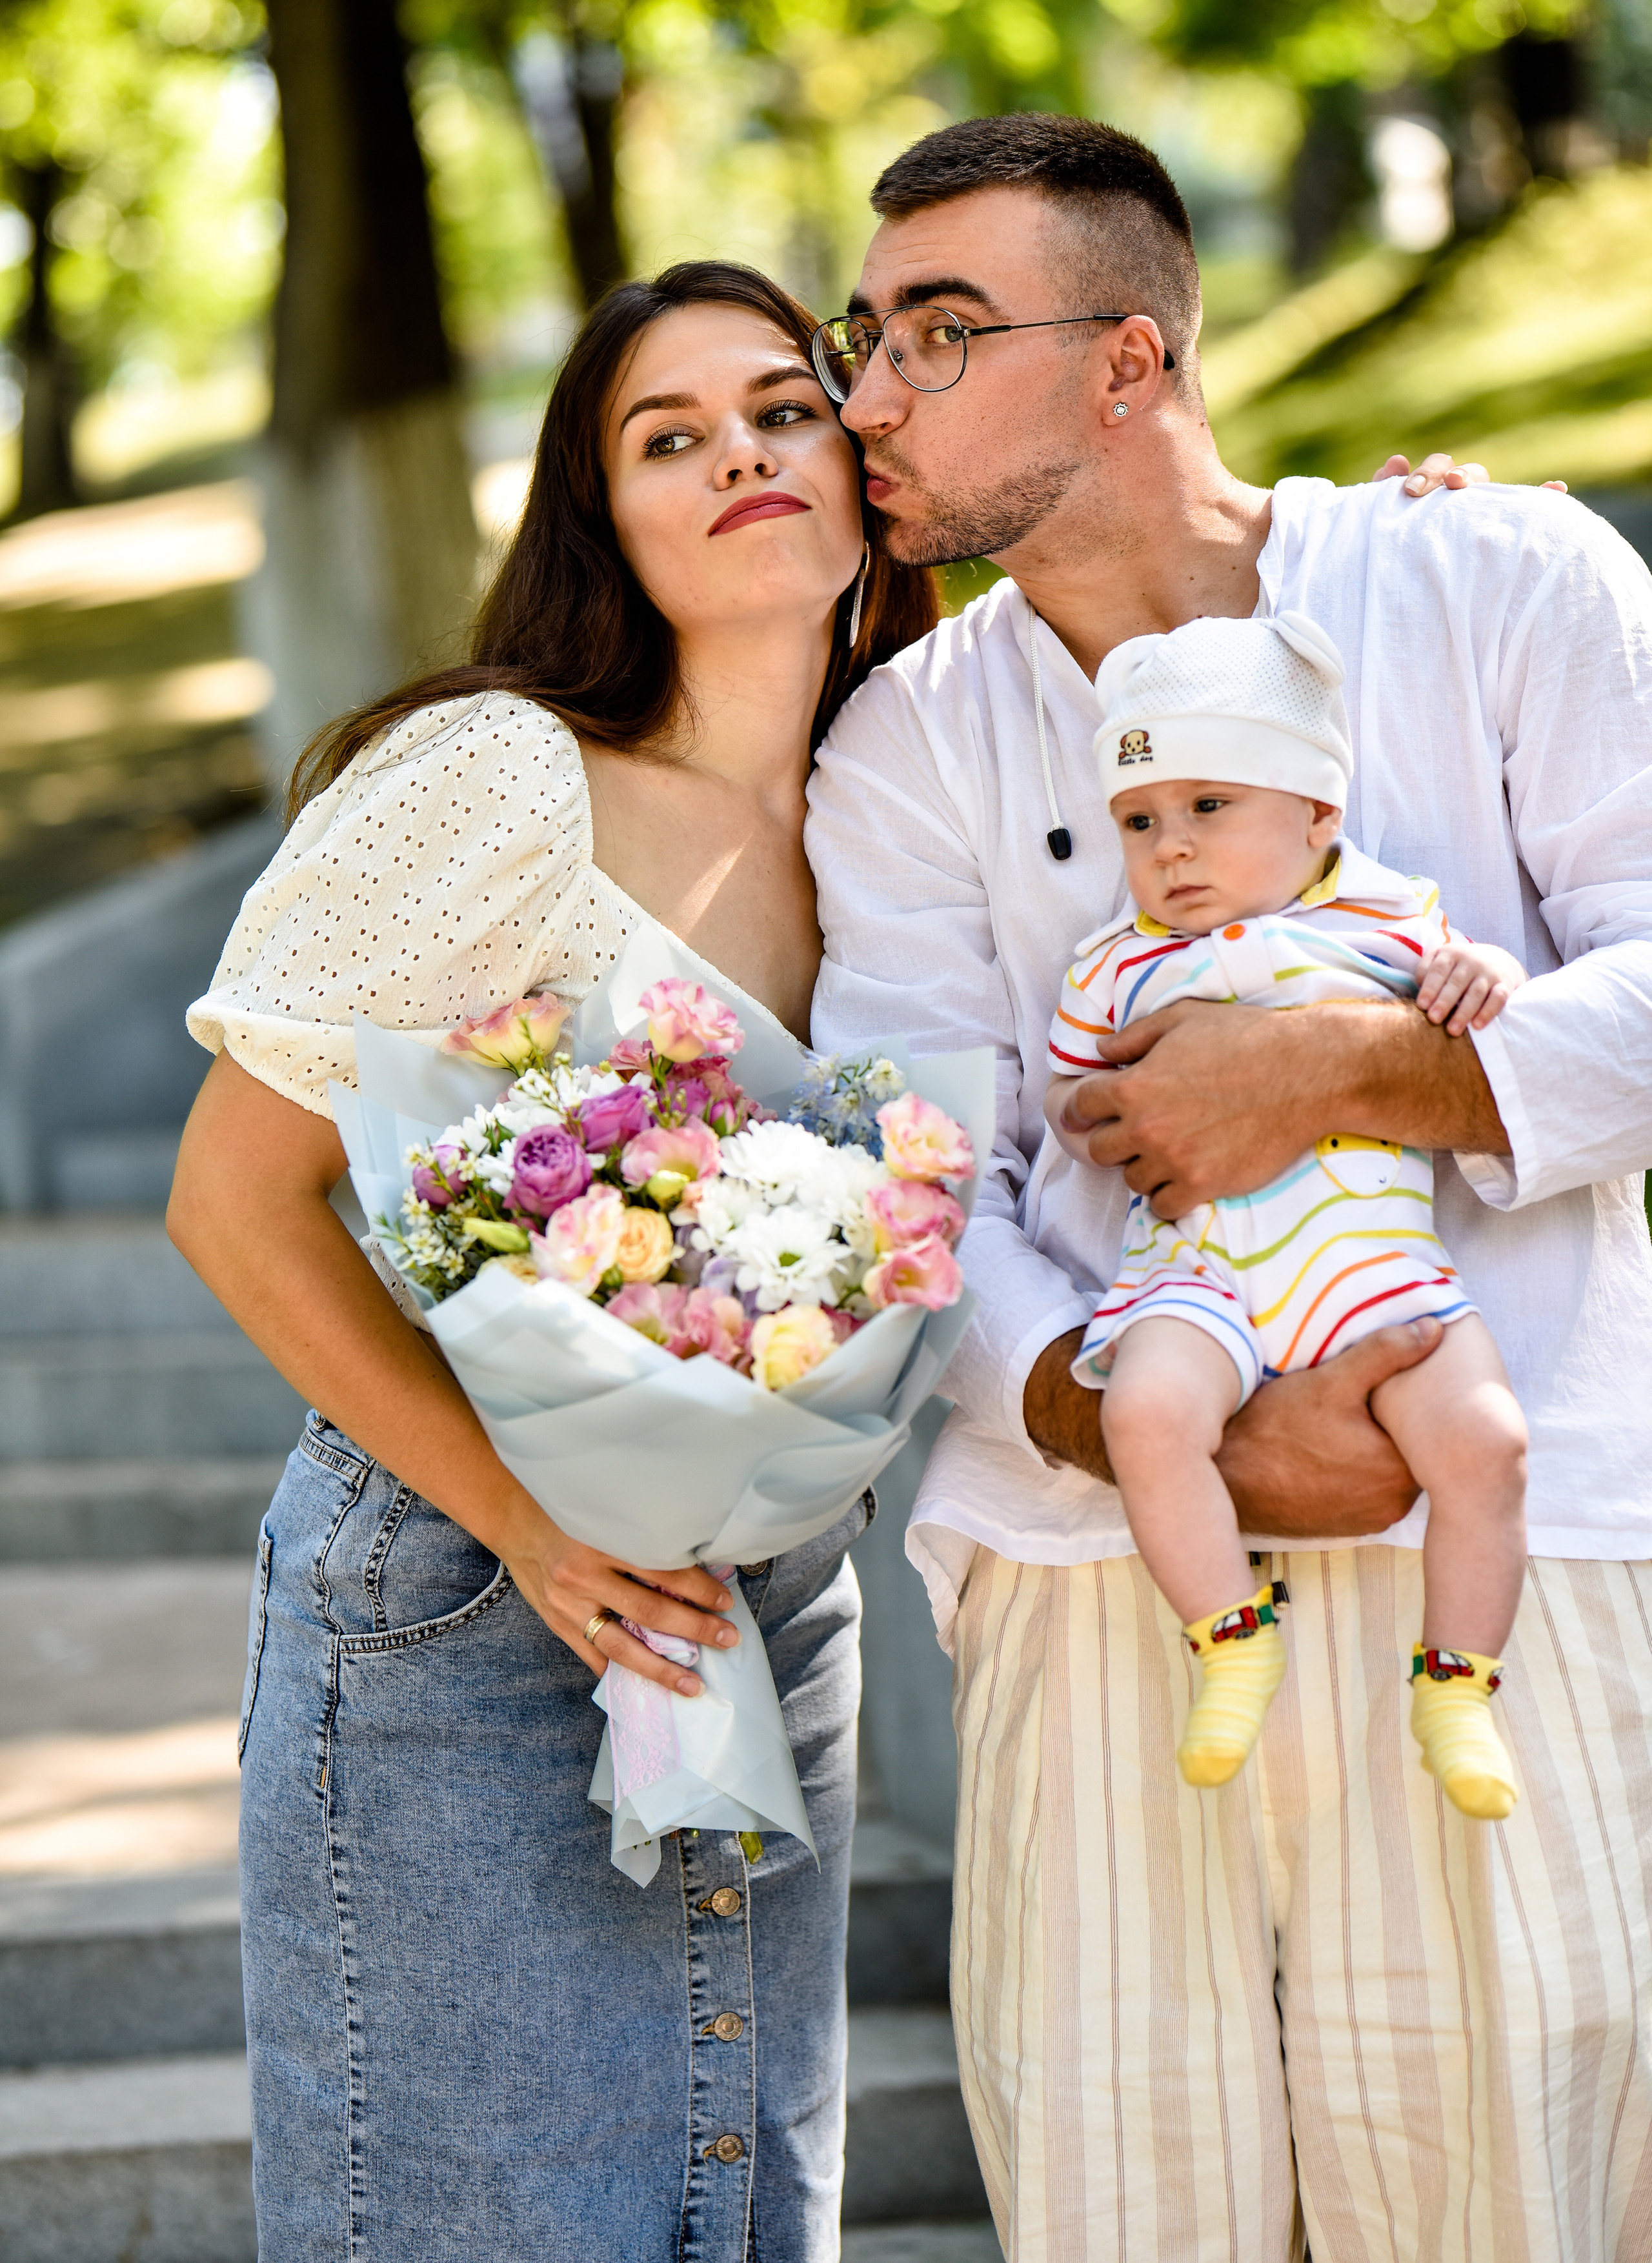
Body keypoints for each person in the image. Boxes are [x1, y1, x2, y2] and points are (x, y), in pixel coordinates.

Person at [804, 113, 1652, 2259]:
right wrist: (1111, 1407)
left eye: (937, 333)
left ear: (1130, 360)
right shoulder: (904, 740)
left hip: (1510, 1531)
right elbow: (919, 1173)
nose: (868, 396)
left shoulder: (1498, 579)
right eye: (861, 336)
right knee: (1124, 2201)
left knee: (1509, 2199)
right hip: (1091, 1559)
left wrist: (1347, 1066)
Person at [168, 259, 938, 2262]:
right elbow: (235, 1198)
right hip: (463, 1591)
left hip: (776, 1596)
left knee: (741, 2213)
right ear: (605, 518)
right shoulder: (505, 775)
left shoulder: (907, 798)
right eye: (669, 437)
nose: (741, 454)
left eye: (781, 407)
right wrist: (526, 1522)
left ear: (862, 457)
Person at [1040, 610, 1528, 1814]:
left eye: (1210, 806)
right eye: (1140, 821)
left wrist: (1488, 975)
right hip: (1197, 1271)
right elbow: (1070, 1101)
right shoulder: (1114, 963)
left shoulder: (1393, 919)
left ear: (1317, 812)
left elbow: (1485, 1007)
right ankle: (1229, 1638)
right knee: (1146, 1413)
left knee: (1486, 1443)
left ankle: (1458, 1686)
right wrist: (1101, 1115)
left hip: (1370, 1268)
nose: (1172, 848)